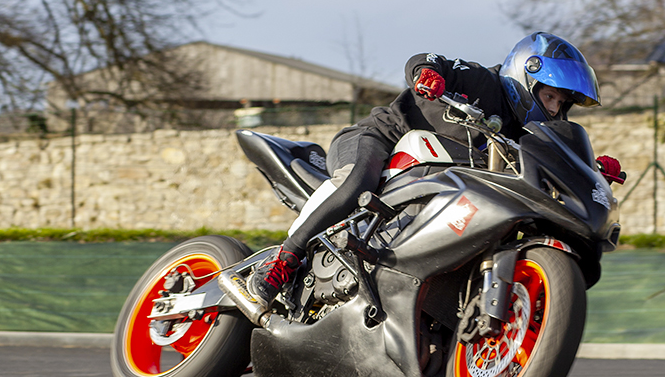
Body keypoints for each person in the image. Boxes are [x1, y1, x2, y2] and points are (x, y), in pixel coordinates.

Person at [244, 32, 620, 306]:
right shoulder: (483, 82)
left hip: (436, 184)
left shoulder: (525, 135)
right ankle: (283, 260)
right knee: (356, 182)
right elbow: (427, 60)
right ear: (526, 76)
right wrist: (427, 74)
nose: (553, 109)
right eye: (549, 96)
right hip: (382, 139)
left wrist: (584, 165)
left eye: (560, 103)